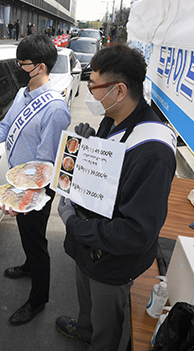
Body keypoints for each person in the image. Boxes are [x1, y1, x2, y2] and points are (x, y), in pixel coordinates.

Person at [55, 43, 177, 350]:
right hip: (90, 244)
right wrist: (87, 147)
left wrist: (73, 223)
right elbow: (109, 172)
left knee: (107, 318)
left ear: (119, 90)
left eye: (94, 86)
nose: (90, 93)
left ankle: (99, 342)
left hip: (112, 259)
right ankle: (84, 329)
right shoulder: (115, 119)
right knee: (87, 296)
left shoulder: (153, 152)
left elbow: (136, 232)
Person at [0, 35, 71, 326]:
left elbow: (45, 164)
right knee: (26, 235)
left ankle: (38, 300)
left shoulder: (55, 109)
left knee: (36, 241)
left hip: (36, 188)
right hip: (19, 180)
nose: (18, 67)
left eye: (23, 63)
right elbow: (6, 127)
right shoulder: (23, 93)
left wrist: (18, 194)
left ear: (40, 67)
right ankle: (29, 266)